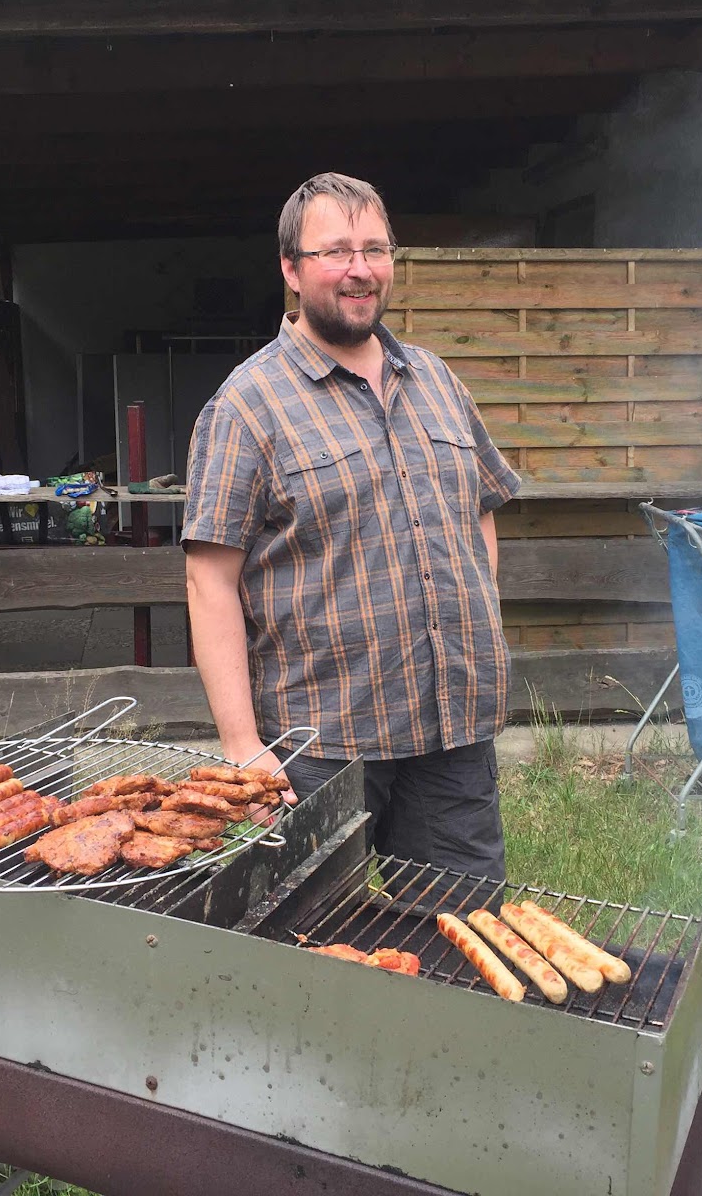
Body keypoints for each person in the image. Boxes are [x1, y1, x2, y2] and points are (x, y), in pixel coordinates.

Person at [181, 173, 520, 880]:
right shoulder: (246, 406)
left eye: (375, 249)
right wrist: (241, 745)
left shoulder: (436, 380)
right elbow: (209, 581)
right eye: (336, 251)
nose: (359, 269)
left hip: (451, 726)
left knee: (460, 927)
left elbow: (479, 511)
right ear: (291, 269)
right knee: (313, 933)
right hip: (320, 745)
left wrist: (465, 619)